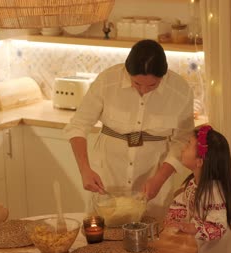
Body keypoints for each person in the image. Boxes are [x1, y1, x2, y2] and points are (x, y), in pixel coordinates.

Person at [64, 39, 195, 220]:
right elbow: (78, 125)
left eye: (152, 85)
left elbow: (182, 140)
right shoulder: (107, 81)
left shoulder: (181, 91)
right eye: (137, 83)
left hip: (154, 180)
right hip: (108, 177)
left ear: (163, 76)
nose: (144, 90)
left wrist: (160, 179)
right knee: (103, 238)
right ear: (127, 71)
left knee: (151, 238)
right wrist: (84, 169)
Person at [165, 125, 231, 253]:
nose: (183, 148)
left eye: (188, 145)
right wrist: (177, 217)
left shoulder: (215, 193)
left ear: (199, 161)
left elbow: (218, 227)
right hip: (202, 247)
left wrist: (194, 228)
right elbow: (183, 201)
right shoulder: (194, 183)